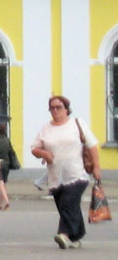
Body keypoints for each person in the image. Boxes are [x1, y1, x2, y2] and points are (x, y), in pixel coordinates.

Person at [31, 94, 102, 249]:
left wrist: (96, 167)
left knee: (68, 202)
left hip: (77, 174)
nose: (55, 110)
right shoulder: (45, 128)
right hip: (55, 176)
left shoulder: (77, 124)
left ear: (66, 109)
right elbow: (34, 148)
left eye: (59, 107)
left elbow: (92, 146)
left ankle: (63, 234)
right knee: (66, 206)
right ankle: (76, 236)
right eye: (52, 108)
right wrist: (44, 154)